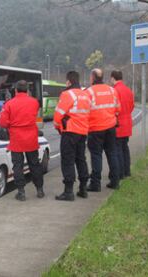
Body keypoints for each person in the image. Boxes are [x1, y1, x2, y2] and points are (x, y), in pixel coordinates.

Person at [0, 80, 44, 201]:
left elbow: (3, 122)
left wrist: (11, 125)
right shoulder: (34, 102)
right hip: (31, 137)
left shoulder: (9, 104)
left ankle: (21, 191)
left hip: (16, 138)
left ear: (16, 90)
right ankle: (39, 189)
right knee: (34, 164)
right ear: (28, 91)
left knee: (18, 166)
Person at [53, 71, 91, 201]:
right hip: (83, 132)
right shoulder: (85, 95)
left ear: (68, 81)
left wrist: (58, 126)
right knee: (81, 159)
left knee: (68, 160)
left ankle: (68, 192)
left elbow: (58, 115)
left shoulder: (67, 94)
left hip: (70, 132)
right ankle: (83, 188)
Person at [86, 68, 121, 191]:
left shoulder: (89, 92)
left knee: (96, 156)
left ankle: (95, 184)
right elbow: (118, 109)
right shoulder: (112, 90)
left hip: (95, 129)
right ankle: (115, 181)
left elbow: (85, 111)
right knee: (112, 153)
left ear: (93, 78)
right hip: (110, 127)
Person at [111, 70, 134, 179]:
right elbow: (132, 106)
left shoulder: (115, 90)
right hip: (127, 123)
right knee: (125, 147)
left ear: (112, 78)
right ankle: (127, 170)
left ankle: (119, 173)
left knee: (117, 149)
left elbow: (113, 108)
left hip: (118, 124)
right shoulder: (128, 90)